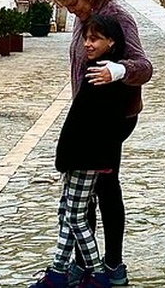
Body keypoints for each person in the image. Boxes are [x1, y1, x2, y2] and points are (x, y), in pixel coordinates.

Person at [50, 0, 154, 287]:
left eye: (73, 2)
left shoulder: (117, 18)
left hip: (112, 120)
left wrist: (116, 71)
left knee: (105, 189)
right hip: (89, 119)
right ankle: (84, 264)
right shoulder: (84, 20)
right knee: (87, 193)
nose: (70, 9)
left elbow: (143, 66)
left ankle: (112, 266)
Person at [30, 14, 131, 288]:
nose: (87, 44)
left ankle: (96, 273)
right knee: (67, 214)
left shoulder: (104, 75)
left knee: (74, 217)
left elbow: (94, 124)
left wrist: (72, 157)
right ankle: (58, 273)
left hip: (86, 158)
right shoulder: (95, 69)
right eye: (86, 38)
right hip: (81, 157)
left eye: (94, 39)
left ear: (111, 42)